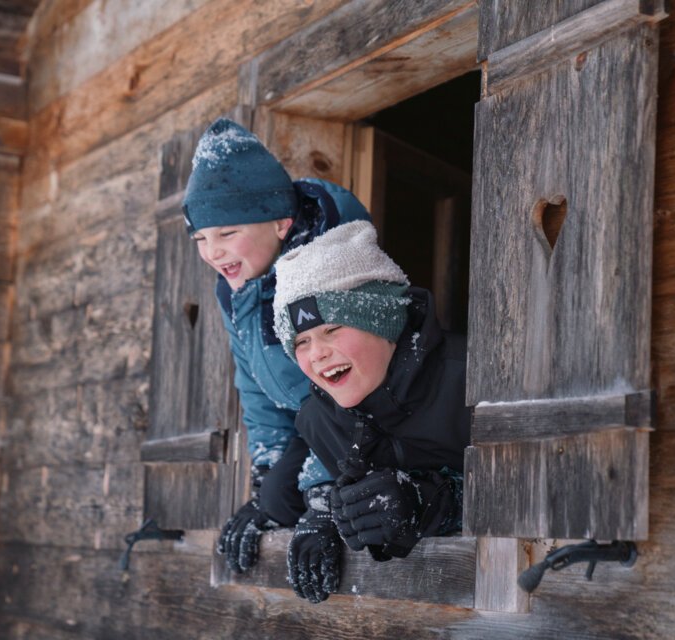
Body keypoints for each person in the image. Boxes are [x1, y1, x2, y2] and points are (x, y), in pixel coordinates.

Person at [183, 117, 371, 574]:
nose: (212, 252)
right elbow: (252, 384)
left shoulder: (332, 266)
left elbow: (361, 388)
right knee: (276, 499)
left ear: (282, 223)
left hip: (368, 424)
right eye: (201, 238)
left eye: (228, 233)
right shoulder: (234, 289)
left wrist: (326, 494)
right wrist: (267, 478)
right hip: (312, 424)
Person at [272, 220, 470, 603]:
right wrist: (327, 511)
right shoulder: (319, 419)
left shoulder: (472, 380)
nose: (317, 354)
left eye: (333, 329)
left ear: (382, 320)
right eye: (301, 341)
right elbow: (340, 483)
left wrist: (437, 505)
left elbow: (539, 486)